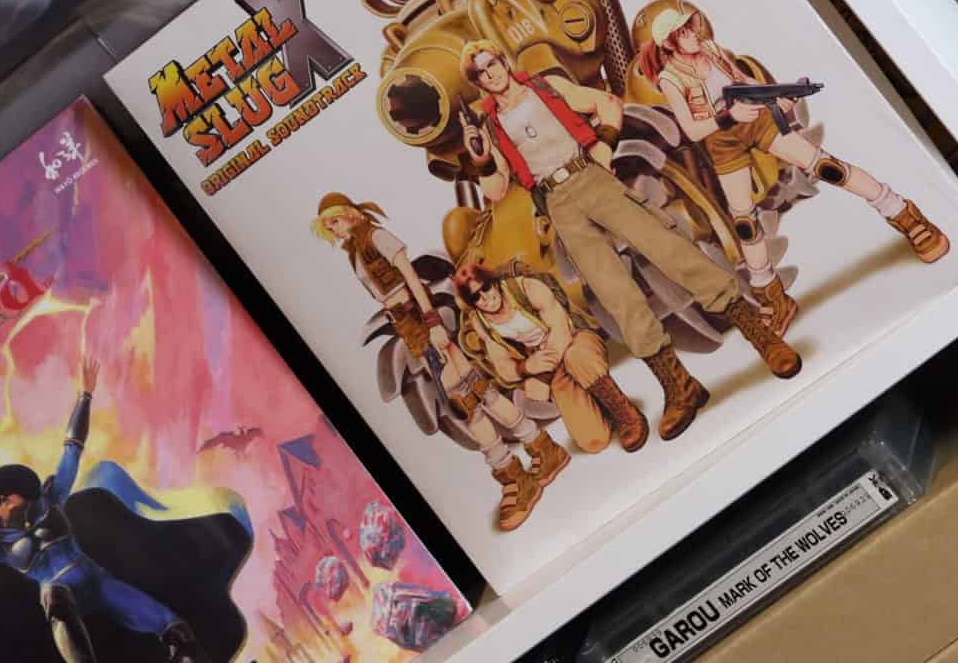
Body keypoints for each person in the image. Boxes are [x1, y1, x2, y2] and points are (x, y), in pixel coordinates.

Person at [460, 41, 801, 445]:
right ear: (478, 82)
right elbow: (496, 190)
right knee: (615, 294)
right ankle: (680, 387)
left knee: (669, 249)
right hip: (556, 203)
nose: (491, 74)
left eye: (492, 63)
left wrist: (603, 145)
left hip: (588, 175)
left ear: (503, 61)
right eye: (481, 72)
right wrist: (480, 156)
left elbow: (606, 103)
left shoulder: (545, 87)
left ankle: (764, 339)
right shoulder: (492, 126)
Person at [0, 353, 208, 663]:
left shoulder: (51, 499)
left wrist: (85, 396)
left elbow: (72, 449)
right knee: (55, 598)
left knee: (176, 629)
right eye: (0, 502)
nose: (6, 501)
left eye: (8, 495)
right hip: (61, 594)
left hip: (97, 581)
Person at [648, 3, 949, 336]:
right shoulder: (670, 79)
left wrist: (775, 98)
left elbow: (744, 82)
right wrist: (729, 117)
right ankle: (772, 295)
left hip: (758, 121)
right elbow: (692, 130)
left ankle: (903, 213)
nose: (692, 33)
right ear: (669, 42)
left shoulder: (712, 51)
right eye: (682, 32)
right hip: (723, 141)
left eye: (691, 26)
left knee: (827, 167)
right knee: (745, 222)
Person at [313, 193, 569, 530]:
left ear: (349, 213)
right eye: (328, 225)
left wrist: (433, 322)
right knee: (475, 394)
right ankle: (539, 450)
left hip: (421, 319)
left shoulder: (375, 237)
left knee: (465, 401)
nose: (333, 229)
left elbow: (411, 278)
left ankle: (515, 473)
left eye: (334, 220)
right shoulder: (356, 251)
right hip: (409, 327)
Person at [454, 259, 649, 453]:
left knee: (575, 357)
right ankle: (598, 404)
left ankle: (625, 413)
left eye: (485, 288)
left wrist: (542, 377)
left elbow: (561, 331)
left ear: (494, 283)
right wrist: (525, 368)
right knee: (594, 441)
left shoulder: (527, 288)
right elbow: (504, 368)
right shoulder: (482, 323)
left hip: (575, 339)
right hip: (549, 364)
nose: (485, 298)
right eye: (476, 297)